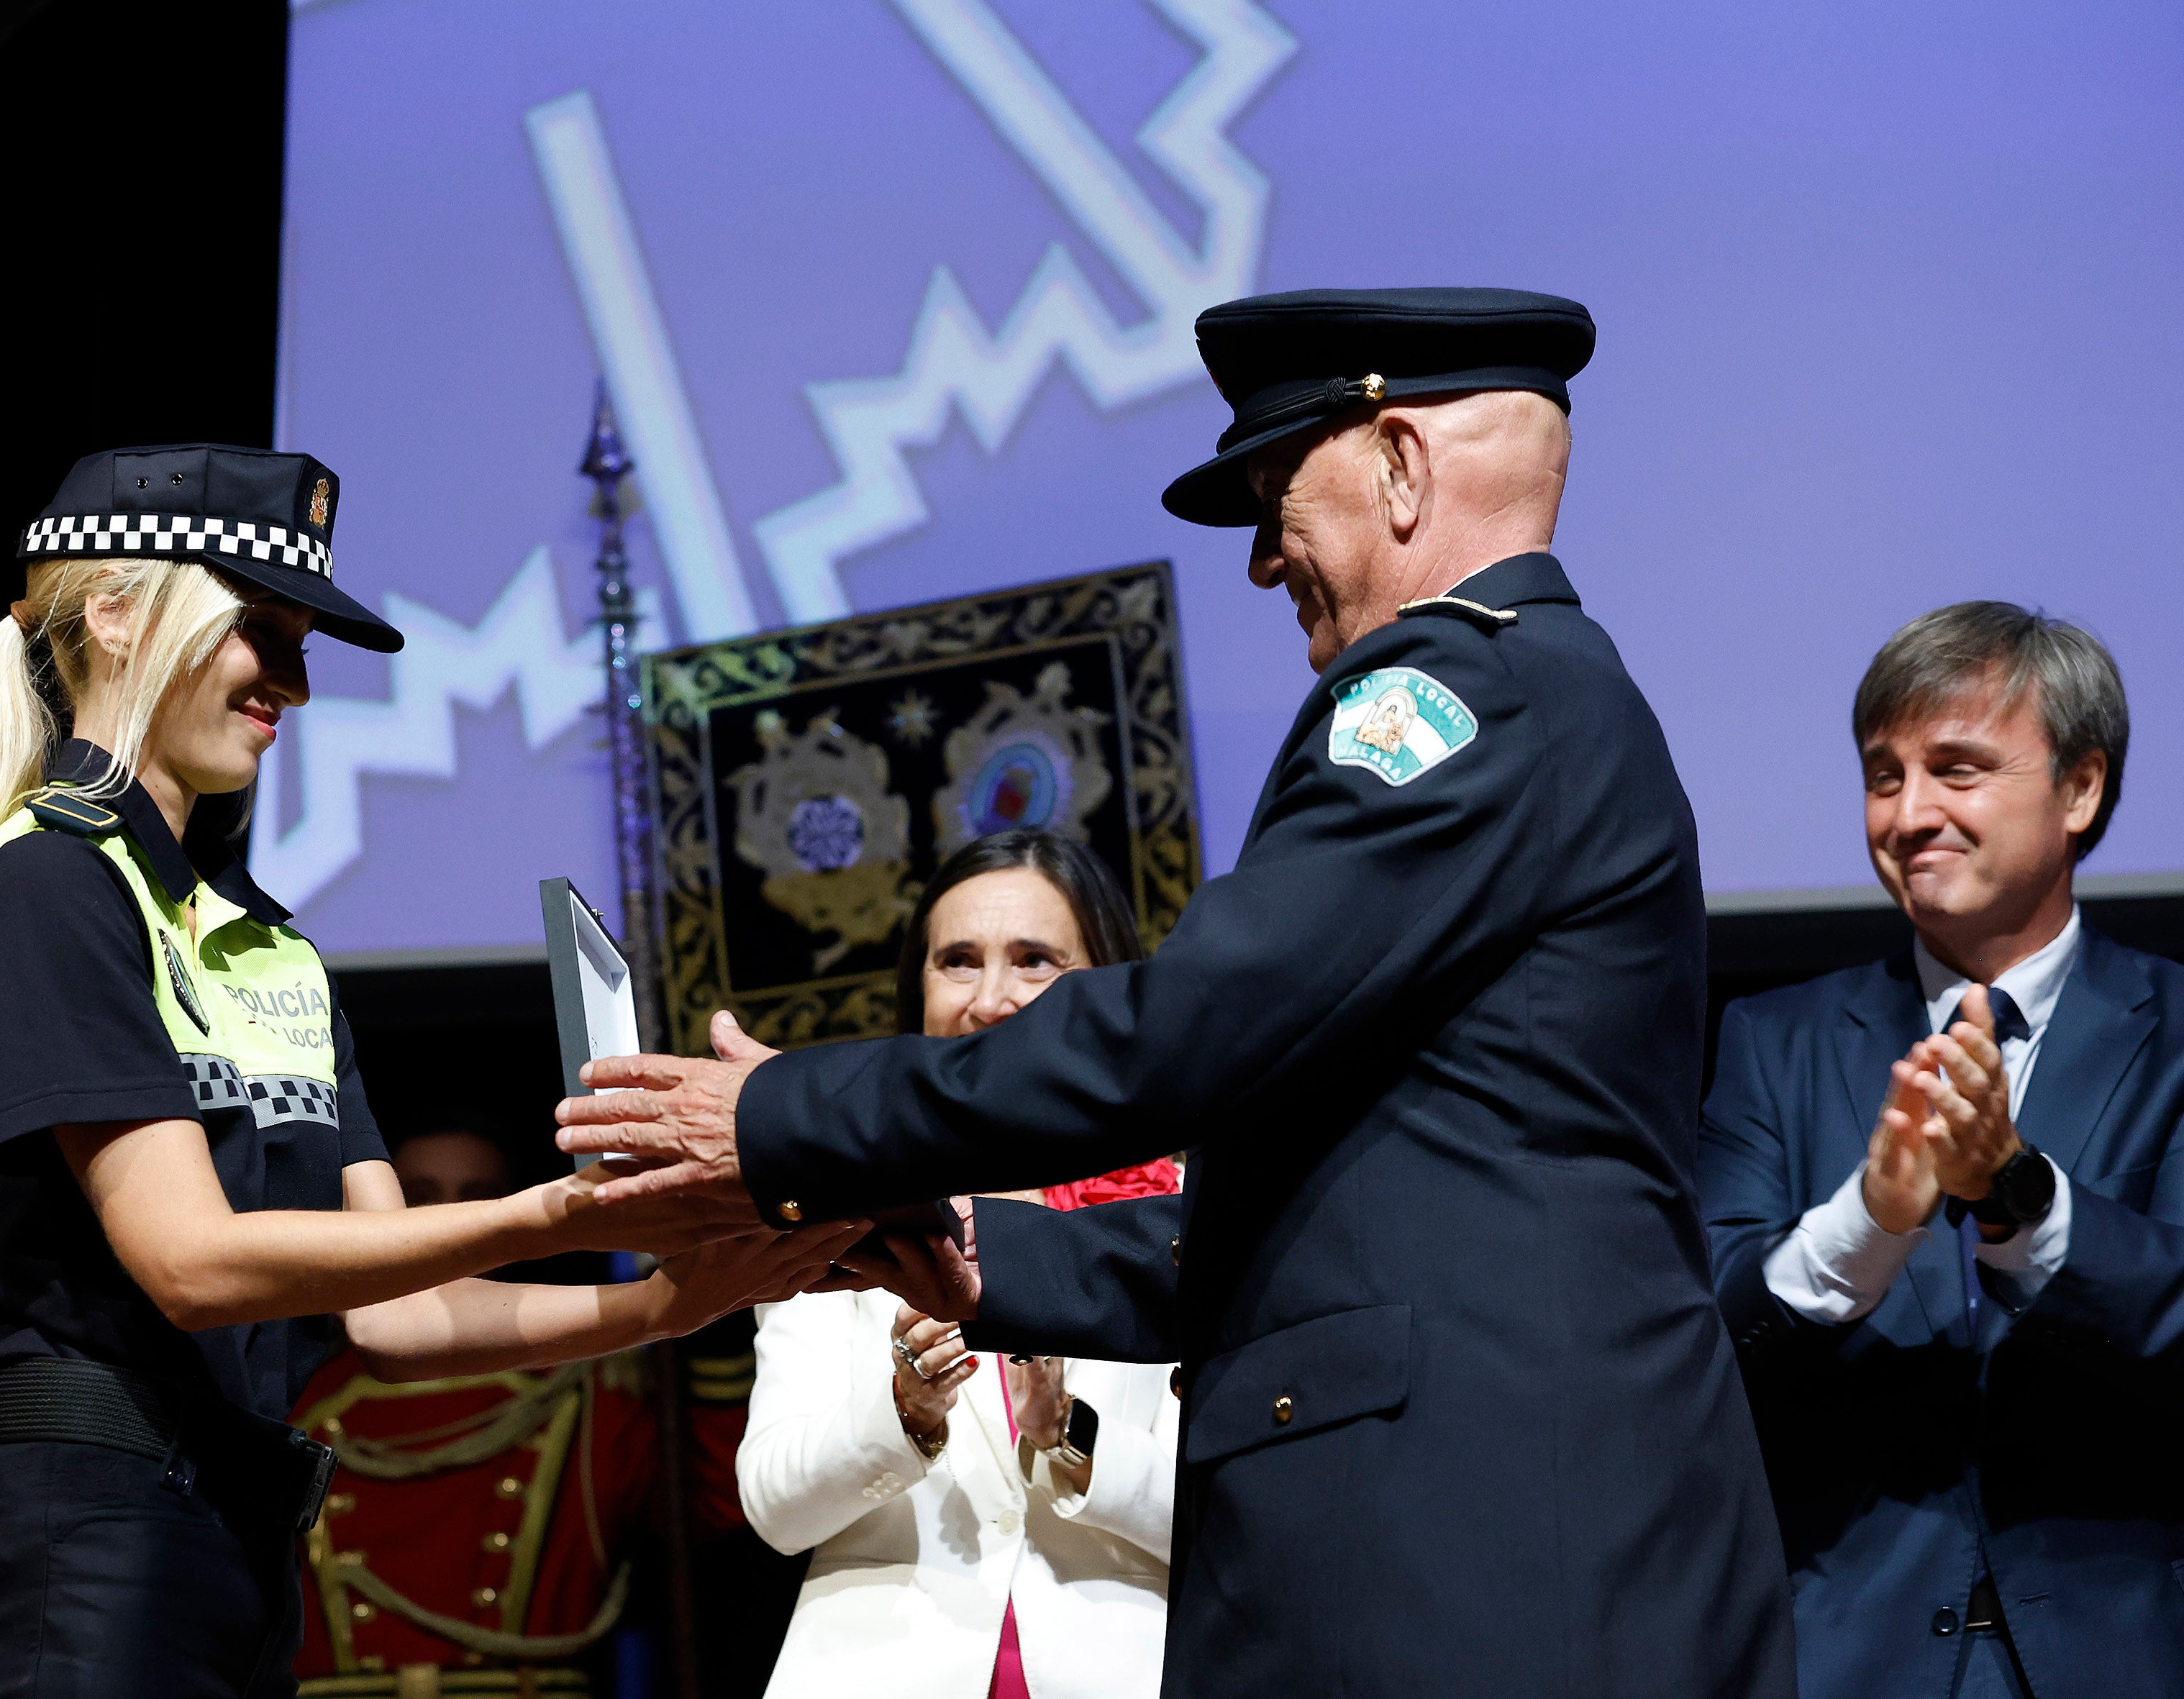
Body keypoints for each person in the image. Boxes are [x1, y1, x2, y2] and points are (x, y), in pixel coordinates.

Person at [555, 290, 1798, 1696]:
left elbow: (1189, 1026)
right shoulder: (1536, 700)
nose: (1267, 562)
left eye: (1278, 498)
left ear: (1398, 463)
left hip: (1484, 1548)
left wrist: (783, 1114)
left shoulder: (1456, 695)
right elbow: (1314, 1210)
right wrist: (964, 1244)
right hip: (1475, 1532)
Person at [0, 444, 863, 1699]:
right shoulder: (49, 884)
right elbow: (189, 1263)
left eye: (304, 644)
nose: (290, 681)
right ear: (115, 615)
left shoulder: (275, 946)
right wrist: (560, 1209)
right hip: (72, 1552)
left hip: (235, 1552)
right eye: (259, 630)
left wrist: (664, 1305)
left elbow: (392, 1315)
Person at [1698, 603, 2183, 1699]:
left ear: (2078, 789)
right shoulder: (1770, 1043)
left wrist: (2018, 1195)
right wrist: (1870, 1219)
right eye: (1882, 775)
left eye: (1954, 770)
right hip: (1839, 1658)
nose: (1908, 813)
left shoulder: (2176, 1034)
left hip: (2123, 1655)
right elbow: (1703, 1342)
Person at [739, 831, 1183, 1699]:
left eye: (1034, 960)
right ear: (918, 990)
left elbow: (1258, 1508)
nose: (992, 999)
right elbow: (775, 1508)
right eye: (958, 961)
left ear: (1111, 981)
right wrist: (902, 1413)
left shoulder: (1183, 1203)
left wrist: (1070, 1434)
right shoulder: (839, 1203)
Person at [291, 1129, 756, 1695]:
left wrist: (713, 1326)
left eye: (475, 1197)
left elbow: (717, 1505)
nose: (449, 1217)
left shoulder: (586, 1393)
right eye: (421, 1196)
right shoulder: (299, 1395)